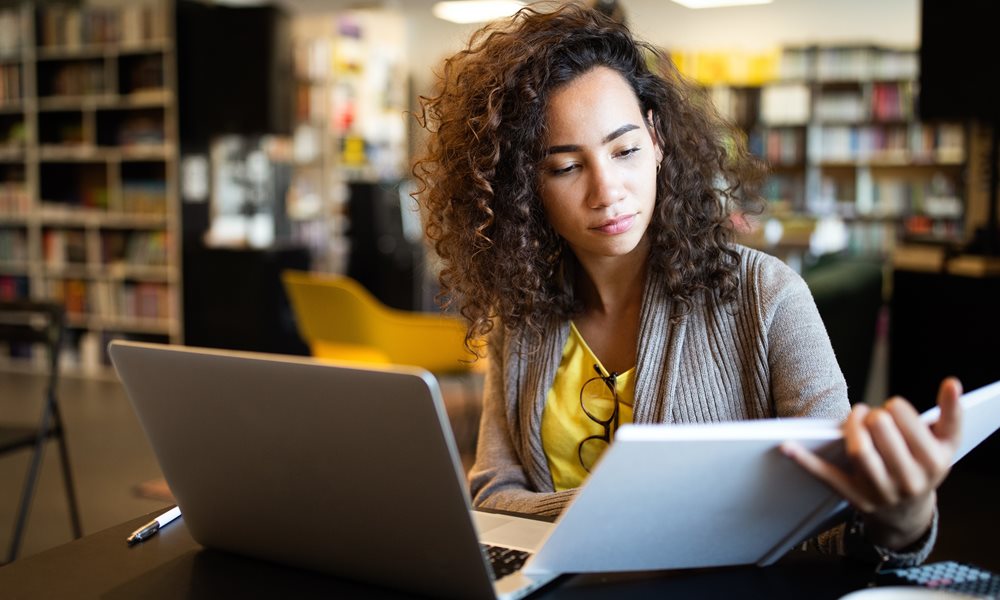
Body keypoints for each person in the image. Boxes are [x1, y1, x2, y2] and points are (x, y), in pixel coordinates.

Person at [412, 2, 962, 567]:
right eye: (566, 167)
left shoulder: (768, 296)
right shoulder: (521, 315)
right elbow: (493, 501)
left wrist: (903, 520)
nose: (608, 191)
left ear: (657, 142)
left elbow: (829, 519)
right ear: (523, 185)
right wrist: (692, 513)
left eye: (624, 150)